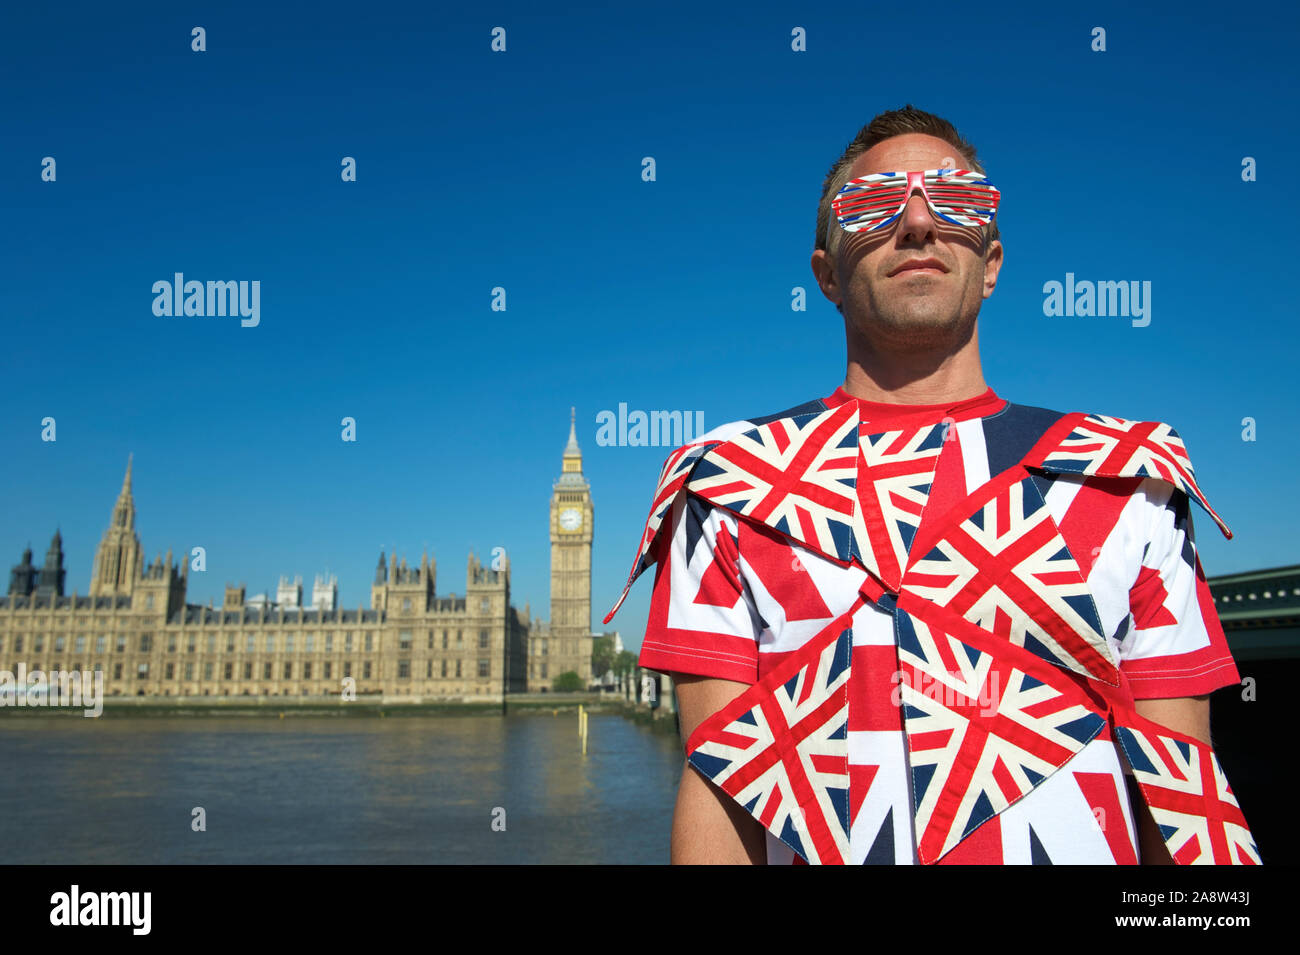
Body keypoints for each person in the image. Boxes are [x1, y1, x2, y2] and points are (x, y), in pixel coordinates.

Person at [602, 105, 1259, 865]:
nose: (918, 220)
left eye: (957, 200)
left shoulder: (1127, 480)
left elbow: (1183, 798)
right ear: (826, 274)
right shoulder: (725, 486)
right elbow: (722, 796)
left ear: (992, 263)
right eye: (875, 203)